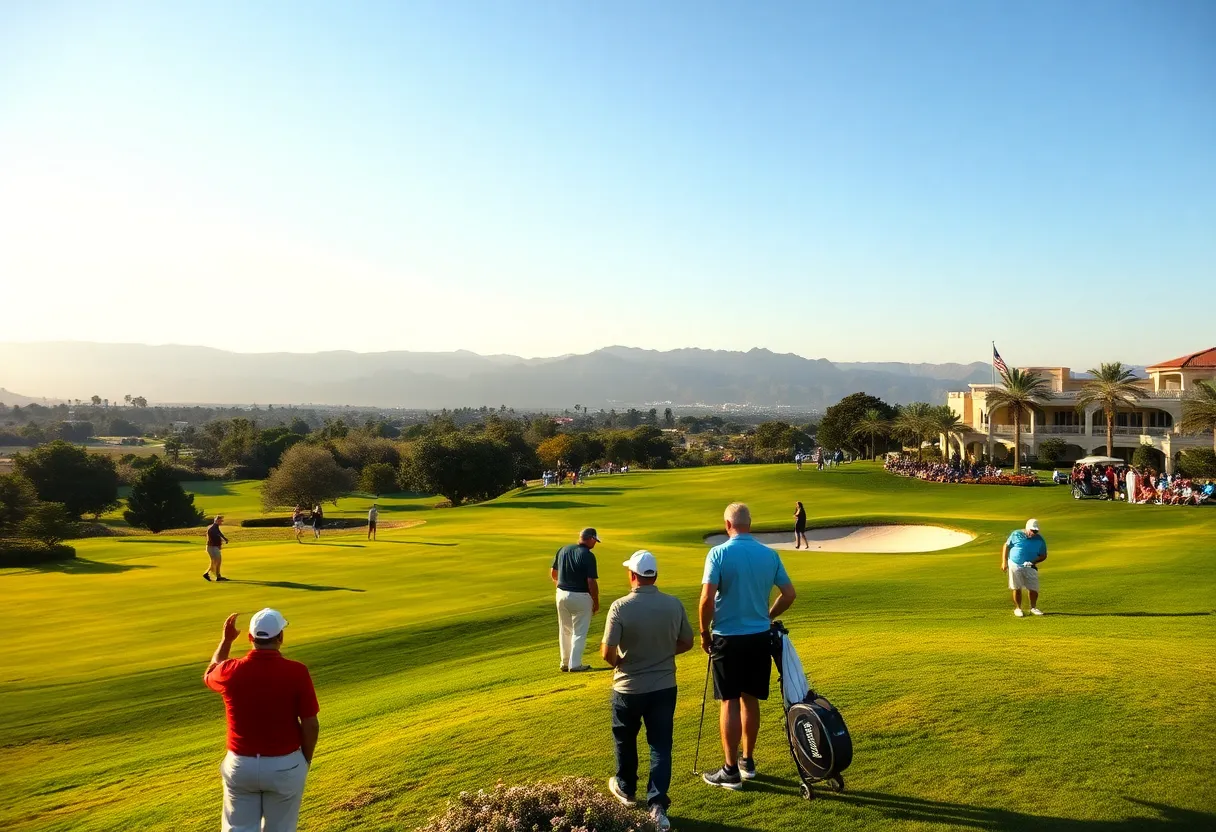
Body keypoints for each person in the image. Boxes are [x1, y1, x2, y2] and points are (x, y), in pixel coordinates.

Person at [699, 503, 797, 790]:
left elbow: (706, 599)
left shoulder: (718, 553)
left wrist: (704, 633)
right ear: (749, 524)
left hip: (727, 637)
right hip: (758, 637)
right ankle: (747, 762)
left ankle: (729, 770)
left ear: (727, 524)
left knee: (729, 700)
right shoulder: (769, 554)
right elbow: (789, 594)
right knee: (750, 699)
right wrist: (768, 616)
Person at [601, 550, 694, 831]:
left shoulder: (620, 606)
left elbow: (607, 653)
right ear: (654, 576)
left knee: (625, 739)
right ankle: (657, 805)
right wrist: (665, 654)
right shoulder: (673, 604)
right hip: (665, 685)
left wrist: (622, 661)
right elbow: (687, 641)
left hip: (628, 687)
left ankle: (627, 789)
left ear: (633, 575)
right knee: (661, 745)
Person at [204, 609, 320, 832]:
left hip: (241, 765)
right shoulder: (297, 671)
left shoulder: (230, 670)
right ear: (280, 638)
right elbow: (311, 724)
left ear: (250, 638)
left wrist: (226, 641)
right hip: (285, 764)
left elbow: (211, 670)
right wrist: (304, 761)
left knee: (238, 829)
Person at [551, 527, 601, 672]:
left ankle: (565, 663)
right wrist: (595, 601)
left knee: (565, 630)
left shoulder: (563, 549)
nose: (595, 544)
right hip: (580, 596)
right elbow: (591, 581)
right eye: (595, 541)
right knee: (579, 631)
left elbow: (554, 573)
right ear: (591, 539)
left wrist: (561, 587)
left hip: (561, 594)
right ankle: (575, 664)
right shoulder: (588, 555)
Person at [1002, 518, 1047, 617]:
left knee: (1033, 588)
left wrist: (1032, 562)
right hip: (1014, 564)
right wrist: (1004, 562)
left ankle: (1033, 608)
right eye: (1032, 530)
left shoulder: (1040, 540)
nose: (1034, 533)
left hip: (1030, 566)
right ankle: (1018, 608)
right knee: (1016, 587)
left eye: (1036, 531)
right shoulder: (1016, 534)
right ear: (1027, 528)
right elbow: (1006, 545)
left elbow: (1043, 555)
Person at [204, 515, 230, 582]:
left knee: (216, 562)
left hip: (212, 547)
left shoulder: (215, 527)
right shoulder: (213, 528)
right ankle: (212, 575)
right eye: (221, 520)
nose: (222, 522)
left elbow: (219, 534)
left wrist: (225, 539)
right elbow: (215, 538)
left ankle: (215, 576)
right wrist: (219, 545)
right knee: (216, 562)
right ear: (217, 520)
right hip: (212, 547)